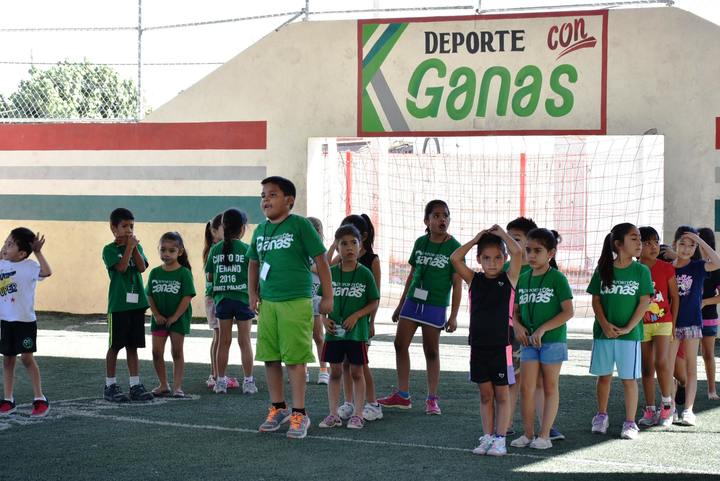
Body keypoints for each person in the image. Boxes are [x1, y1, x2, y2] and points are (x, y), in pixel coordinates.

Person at [248, 176, 332, 440]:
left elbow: (321, 259)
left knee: (294, 359)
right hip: (268, 303)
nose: (265, 200)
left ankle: (300, 413)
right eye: (263, 195)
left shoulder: (300, 225)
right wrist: (252, 293)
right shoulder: (260, 230)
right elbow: (253, 263)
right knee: (270, 357)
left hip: (296, 301)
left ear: (289, 200)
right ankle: (278, 408)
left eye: (272, 195)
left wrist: (327, 296)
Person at [378, 200, 462, 415]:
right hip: (413, 302)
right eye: (436, 216)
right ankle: (403, 395)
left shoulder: (454, 247)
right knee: (399, 344)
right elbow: (413, 275)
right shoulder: (420, 242)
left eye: (445, 215)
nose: (442, 219)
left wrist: (453, 316)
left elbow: (457, 283)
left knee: (431, 351)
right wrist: (399, 305)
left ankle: (432, 398)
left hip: (435, 304)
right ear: (427, 221)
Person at [450, 225, 521, 456]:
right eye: (487, 258)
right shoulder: (474, 279)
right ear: (479, 259)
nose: (492, 262)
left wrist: (502, 235)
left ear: (505, 258)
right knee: (485, 395)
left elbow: (518, 253)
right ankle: (488, 436)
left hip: (501, 348)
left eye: (498, 257)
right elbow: (455, 258)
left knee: (502, 394)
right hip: (478, 347)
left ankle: (501, 439)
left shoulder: (509, 279)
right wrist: (475, 239)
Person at [587, 223, 652, 440]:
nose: (639, 243)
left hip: (630, 337)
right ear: (618, 244)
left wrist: (629, 327)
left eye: (639, 238)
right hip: (603, 334)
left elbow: (644, 301)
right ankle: (601, 415)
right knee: (604, 377)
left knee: (628, 379)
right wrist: (604, 324)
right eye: (634, 238)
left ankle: (630, 422)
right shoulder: (603, 269)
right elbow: (596, 300)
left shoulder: (641, 270)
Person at [510, 228, 574, 450]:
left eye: (538, 250)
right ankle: (528, 434)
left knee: (549, 386)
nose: (532, 255)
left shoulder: (558, 278)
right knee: (526, 388)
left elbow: (568, 312)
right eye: (528, 250)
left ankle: (544, 435)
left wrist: (542, 329)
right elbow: (515, 312)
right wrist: (517, 326)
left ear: (551, 253)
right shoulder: (523, 278)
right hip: (528, 343)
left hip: (553, 341)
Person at [318, 225, 380, 430]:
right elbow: (319, 299)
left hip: (357, 334)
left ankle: (358, 414)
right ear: (336, 247)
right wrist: (323, 319)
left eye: (353, 242)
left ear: (360, 246)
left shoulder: (364, 273)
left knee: (356, 372)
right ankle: (333, 413)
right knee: (335, 371)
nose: (349, 247)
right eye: (343, 243)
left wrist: (358, 315)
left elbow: (373, 301)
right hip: (334, 333)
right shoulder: (330, 273)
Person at [102, 208, 154, 402]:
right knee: (115, 345)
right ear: (113, 228)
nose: (129, 230)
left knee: (133, 346)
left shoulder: (136, 248)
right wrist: (128, 249)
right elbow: (122, 268)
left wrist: (133, 248)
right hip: (119, 306)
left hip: (137, 304)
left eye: (131, 226)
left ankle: (135, 384)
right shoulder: (109, 250)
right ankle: (110, 385)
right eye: (124, 226)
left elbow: (141, 268)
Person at [670, 225, 720, 425]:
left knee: (691, 366)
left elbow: (717, 262)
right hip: (670, 325)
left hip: (692, 324)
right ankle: (670, 407)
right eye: (683, 244)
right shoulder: (668, 267)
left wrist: (699, 241)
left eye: (691, 246)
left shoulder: (698, 266)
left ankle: (688, 410)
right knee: (669, 367)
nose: (686, 249)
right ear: (675, 245)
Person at [0, 228, 52, 417]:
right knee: (8, 360)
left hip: (25, 322)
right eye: (5, 242)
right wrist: (4, 250)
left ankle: (40, 398)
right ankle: (8, 399)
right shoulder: (2, 264)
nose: (5, 247)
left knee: (26, 359)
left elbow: (47, 272)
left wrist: (37, 252)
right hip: (6, 321)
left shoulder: (30, 266)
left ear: (22, 253)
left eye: (10, 244)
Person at [205, 208, 257, 395]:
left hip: (223, 300)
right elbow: (254, 275)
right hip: (243, 299)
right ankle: (248, 382)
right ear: (242, 229)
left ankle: (220, 381)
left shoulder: (215, 250)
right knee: (245, 341)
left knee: (223, 341)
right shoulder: (247, 249)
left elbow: (210, 277)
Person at [637, 226, 678, 427]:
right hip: (641, 325)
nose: (653, 246)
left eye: (656, 242)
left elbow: (675, 297)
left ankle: (667, 405)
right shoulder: (634, 269)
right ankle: (650, 409)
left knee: (662, 362)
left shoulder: (666, 267)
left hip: (663, 322)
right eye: (647, 243)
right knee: (646, 367)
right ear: (638, 246)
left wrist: (674, 323)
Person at [147, 232, 195, 398]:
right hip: (159, 320)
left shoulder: (184, 273)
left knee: (176, 351)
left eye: (171, 251)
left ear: (179, 252)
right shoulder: (154, 272)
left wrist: (175, 316)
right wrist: (156, 314)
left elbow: (187, 297)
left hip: (178, 319)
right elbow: (150, 295)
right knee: (156, 352)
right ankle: (163, 384)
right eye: (163, 250)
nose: (166, 254)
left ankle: (177, 387)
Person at [203, 213, 232, 390]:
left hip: (217, 296)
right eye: (224, 228)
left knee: (219, 336)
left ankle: (216, 373)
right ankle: (215, 374)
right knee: (219, 336)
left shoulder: (219, 247)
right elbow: (212, 275)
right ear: (214, 231)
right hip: (215, 297)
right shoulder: (215, 249)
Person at [307, 216, 330, 386]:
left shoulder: (320, 251)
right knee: (303, 337)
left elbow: (325, 267)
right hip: (301, 297)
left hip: (316, 297)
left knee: (318, 336)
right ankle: (304, 369)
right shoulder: (300, 249)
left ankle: (323, 370)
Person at [698, 227, 720, 400]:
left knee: (707, 354)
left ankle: (711, 389)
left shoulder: (716, 267)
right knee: (681, 356)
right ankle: (680, 388)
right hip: (688, 319)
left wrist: (705, 302)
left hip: (709, 319)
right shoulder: (690, 264)